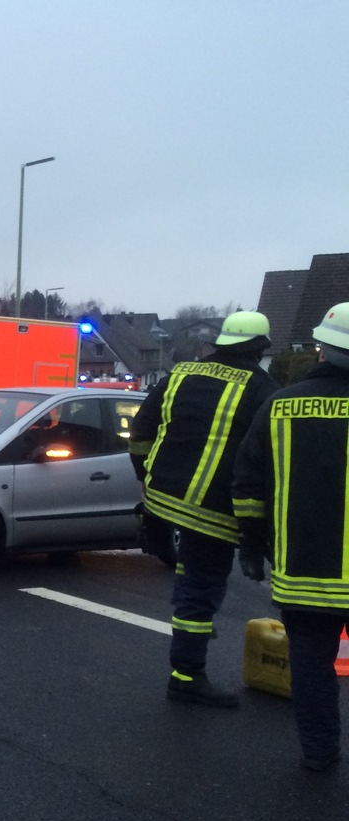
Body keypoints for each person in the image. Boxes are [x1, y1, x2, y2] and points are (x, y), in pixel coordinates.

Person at [129, 310, 277, 707]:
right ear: (259, 349)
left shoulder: (177, 375)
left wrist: (144, 475)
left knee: (188, 574)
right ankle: (187, 675)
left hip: (161, 499)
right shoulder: (263, 389)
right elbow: (263, 463)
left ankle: (190, 642)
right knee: (201, 587)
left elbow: (140, 432)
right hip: (213, 510)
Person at [234, 302, 349, 770]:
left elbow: (247, 484)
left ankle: (320, 752)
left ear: (321, 347)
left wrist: (251, 545)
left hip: (303, 569)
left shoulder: (279, 405)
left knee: (312, 666)